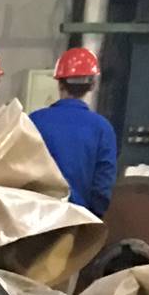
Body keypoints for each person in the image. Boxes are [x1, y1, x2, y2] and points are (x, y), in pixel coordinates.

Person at [29, 46, 118, 218]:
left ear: (59, 83)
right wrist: (92, 217)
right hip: (78, 220)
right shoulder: (102, 128)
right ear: (92, 85)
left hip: (35, 219)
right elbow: (103, 184)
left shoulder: (33, 121)